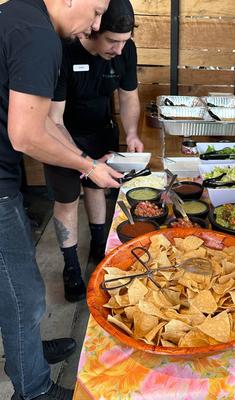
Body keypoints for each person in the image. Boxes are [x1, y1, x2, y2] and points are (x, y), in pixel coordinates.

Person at [0, 0, 124, 398]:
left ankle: (27, 353)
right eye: (97, 10)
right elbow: (27, 135)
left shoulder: (20, 15)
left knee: (16, 287)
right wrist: (88, 168)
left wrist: (87, 162)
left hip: (5, 176)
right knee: (24, 294)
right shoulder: (38, 36)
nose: (96, 24)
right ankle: (33, 390)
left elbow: (44, 124)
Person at [44, 0, 143, 303]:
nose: (118, 49)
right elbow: (54, 118)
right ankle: (71, 266)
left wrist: (131, 133)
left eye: (124, 42)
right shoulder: (64, 50)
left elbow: (128, 97)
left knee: (98, 188)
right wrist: (82, 161)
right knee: (68, 199)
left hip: (101, 130)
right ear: (93, 31)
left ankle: (100, 249)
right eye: (112, 41)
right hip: (62, 137)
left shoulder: (125, 49)